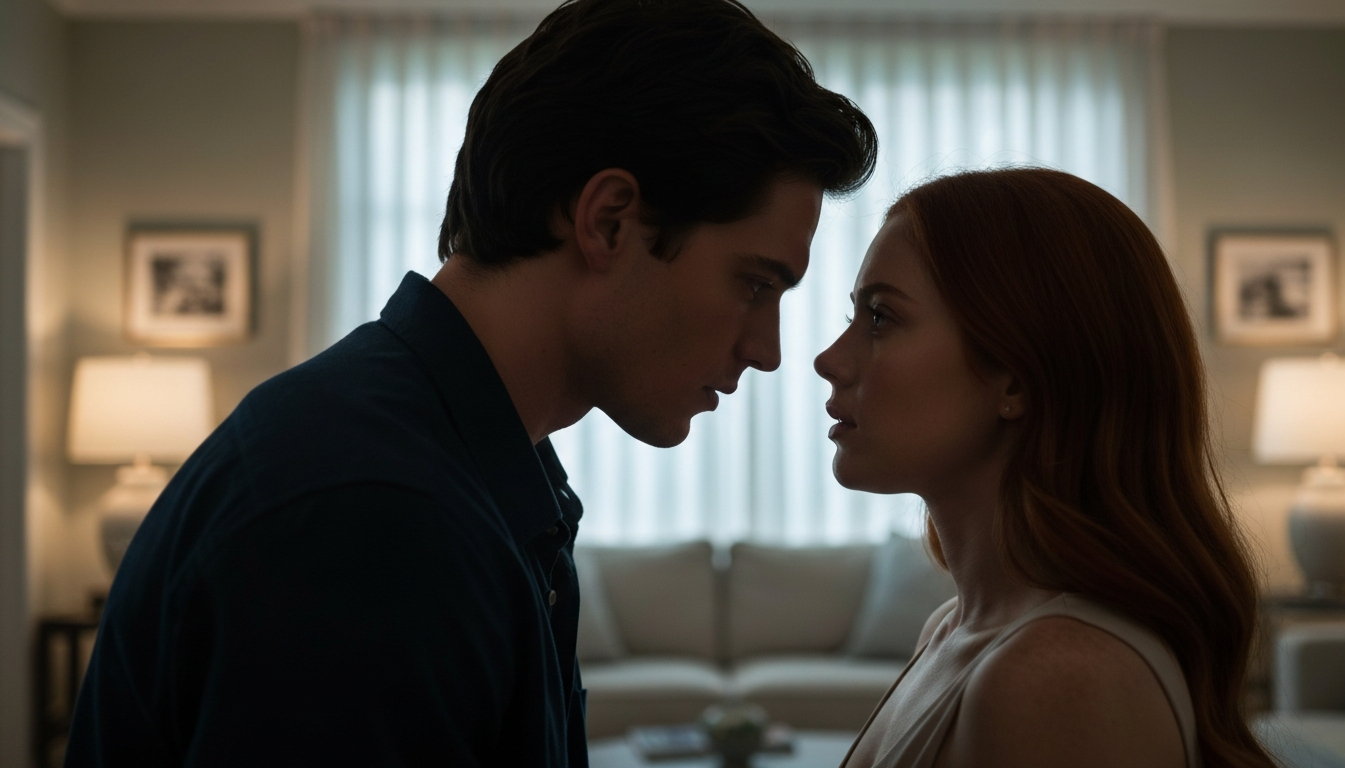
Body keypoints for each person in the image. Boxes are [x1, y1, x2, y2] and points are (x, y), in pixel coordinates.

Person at [65, 1, 876, 765]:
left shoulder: (448, 461)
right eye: (756, 283)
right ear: (610, 221)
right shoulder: (376, 516)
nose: (767, 351)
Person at [815, 168, 1276, 768]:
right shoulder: (951, 629)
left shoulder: (1057, 678)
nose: (831, 360)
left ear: (1018, 377)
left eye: (880, 317)